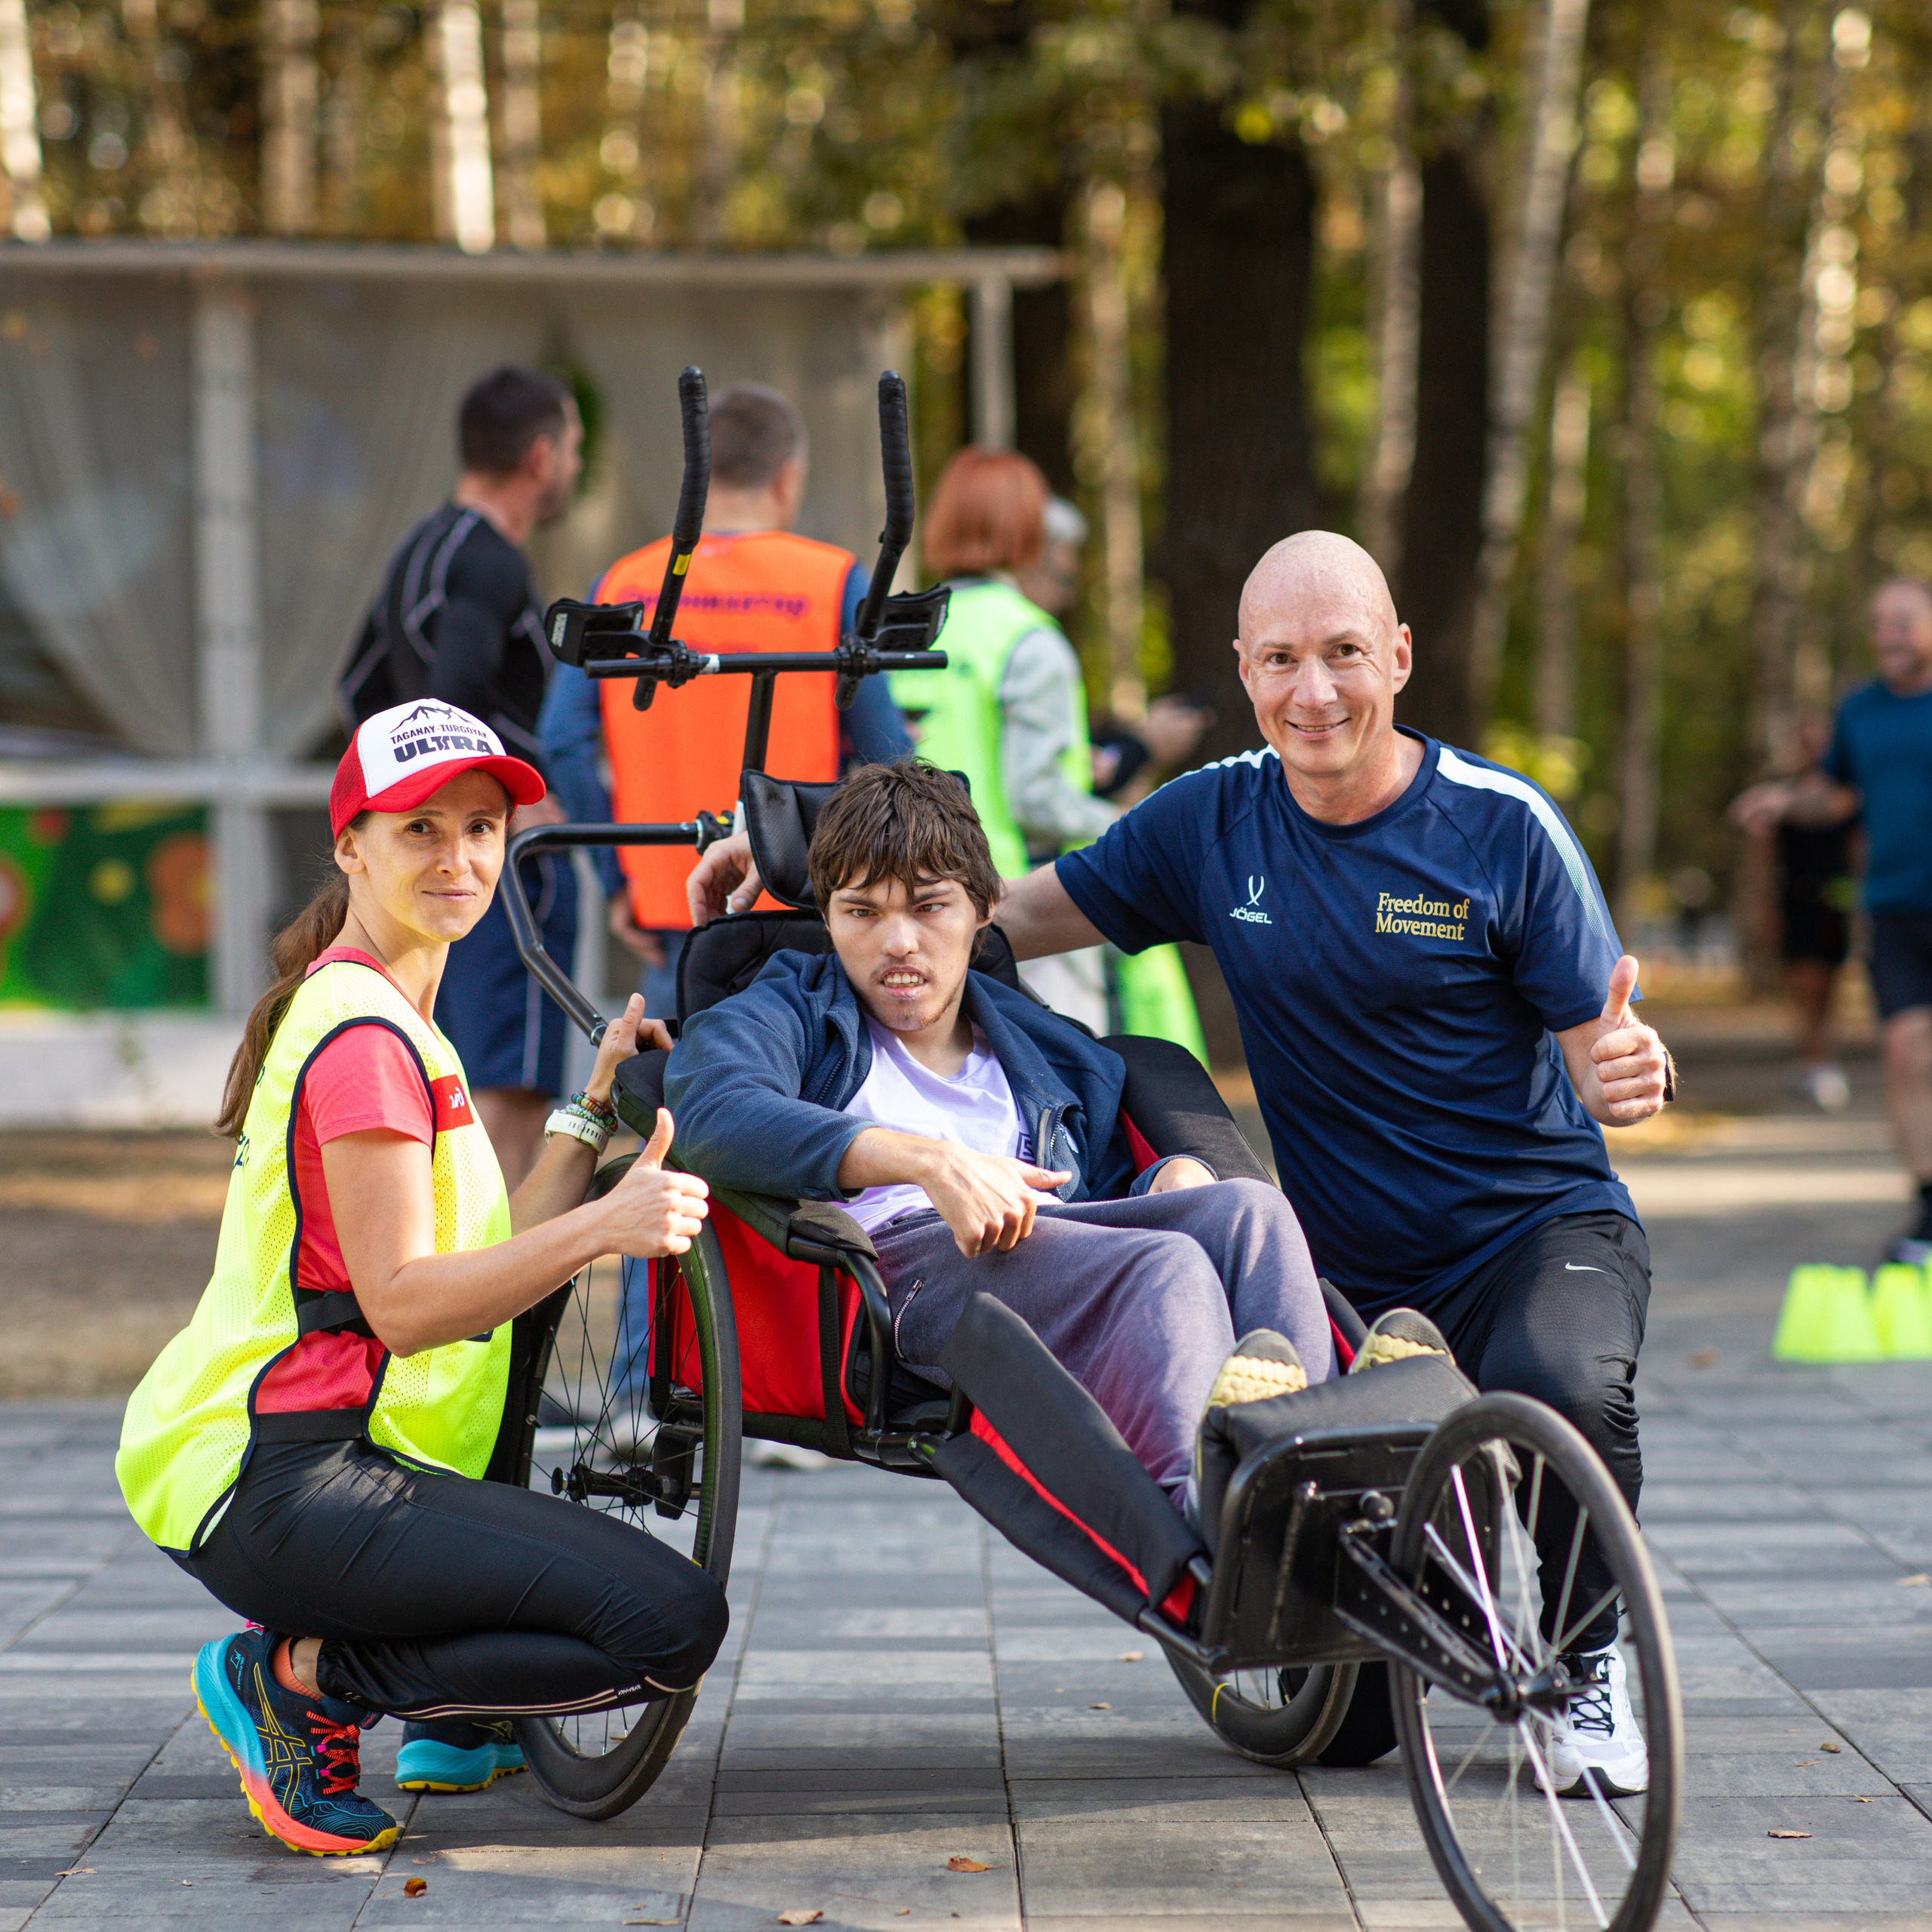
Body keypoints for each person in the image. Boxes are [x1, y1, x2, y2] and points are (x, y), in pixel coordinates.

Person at [691, 531, 1672, 1799]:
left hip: (1533, 1228)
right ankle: (1324, 1518)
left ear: (1401, 659)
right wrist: (788, 853)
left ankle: (1588, 1661)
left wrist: (1624, 1072)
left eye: (1344, 656)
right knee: (1349, 1719)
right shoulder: (1216, 820)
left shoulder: (1502, 828)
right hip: (1353, 1263)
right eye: (1281, 661)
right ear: (1246, 670)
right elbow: (1004, 901)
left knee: (1556, 1388)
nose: (1313, 692)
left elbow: (1606, 1048)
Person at [116, 702, 723, 1857]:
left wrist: (589, 1113)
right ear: (351, 845)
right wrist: (608, 1226)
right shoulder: (363, 1039)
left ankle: (335, 1662)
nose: (459, 860)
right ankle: (302, 1673)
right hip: (288, 1478)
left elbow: (476, 1250)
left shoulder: (387, 1010)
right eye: (421, 830)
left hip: (308, 1465)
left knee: (651, 1615)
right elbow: (405, 1302)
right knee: (670, 1625)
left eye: (484, 829)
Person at [665, 757, 1350, 1511]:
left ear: (984, 908)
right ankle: (1206, 1521)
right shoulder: (788, 1009)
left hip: (1063, 1250)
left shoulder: (1038, 1042)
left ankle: (1322, 1466)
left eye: (930, 908)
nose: (898, 942)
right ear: (826, 915)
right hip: (902, 1273)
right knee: (1167, 1267)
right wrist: (927, 1161)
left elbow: (1109, 1171)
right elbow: (711, 1113)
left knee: (1248, 1212)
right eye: (861, 912)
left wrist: (1168, 1178)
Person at [540, 380, 910, 1018]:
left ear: (700, 476)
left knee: (680, 1103)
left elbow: (562, 740)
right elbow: (888, 752)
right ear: (787, 478)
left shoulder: (626, 582)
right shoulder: (832, 580)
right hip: (802, 897)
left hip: (675, 904)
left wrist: (616, 878)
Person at [340, 365, 584, 1185]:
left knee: (450, 1059)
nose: (575, 466)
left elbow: (359, 690)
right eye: (576, 448)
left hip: (425, 857)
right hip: (504, 861)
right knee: (508, 1086)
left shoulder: (418, 549)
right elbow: (457, 688)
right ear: (542, 458)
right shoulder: (492, 562)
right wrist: (520, 800)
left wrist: (399, 817)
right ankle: (493, 1289)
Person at [885, 451, 1204, 1053]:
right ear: (1027, 532)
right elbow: (1037, 799)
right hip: (1011, 908)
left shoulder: (904, 626)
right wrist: (1137, 830)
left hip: (903, 900)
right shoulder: (1028, 636)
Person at [1736, 580, 1932, 1257]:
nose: (1890, 635)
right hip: (1896, 905)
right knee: (1907, 1051)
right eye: (1880, 623)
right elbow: (1838, 795)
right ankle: (1929, 1212)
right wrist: (1786, 802)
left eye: (1904, 621)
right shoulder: (1860, 711)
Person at [1728, 711, 1859, 1114]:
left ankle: (1817, 1059)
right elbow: (1761, 854)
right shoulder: (1777, 796)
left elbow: (1856, 845)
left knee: (1828, 986)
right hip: (1795, 900)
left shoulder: (1846, 794)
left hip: (1836, 901)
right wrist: (1763, 907)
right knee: (1806, 984)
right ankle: (1814, 1060)